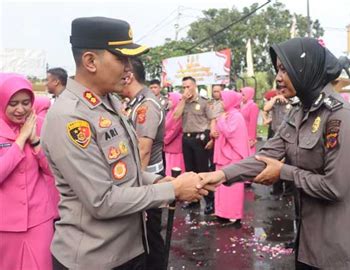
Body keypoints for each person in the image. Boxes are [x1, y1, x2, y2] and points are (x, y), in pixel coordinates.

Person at [41, 17, 209, 269]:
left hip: (128, 250)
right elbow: (102, 201)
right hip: (95, 258)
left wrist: (158, 181)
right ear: (90, 61)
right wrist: (172, 191)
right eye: (121, 59)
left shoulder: (109, 103)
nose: (129, 68)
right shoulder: (70, 117)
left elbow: (121, 170)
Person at [198, 37, 350, 269]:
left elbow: (335, 187)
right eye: (278, 69)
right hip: (308, 236)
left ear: (307, 68)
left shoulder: (338, 115)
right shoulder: (299, 112)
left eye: (286, 69)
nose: (279, 77)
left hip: (341, 240)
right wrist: (219, 176)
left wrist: (284, 171)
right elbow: (265, 156)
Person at [0, 73, 56, 270]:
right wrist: (20, 141)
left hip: (39, 218)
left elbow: (53, 171)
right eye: (13, 103)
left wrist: (35, 142)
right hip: (4, 223)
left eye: (26, 102)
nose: (20, 109)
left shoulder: (39, 125)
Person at [121, 57, 167, 270]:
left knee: (150, 236)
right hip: (140, 176)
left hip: (147, 177)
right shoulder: (136, 102)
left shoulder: (147, 105)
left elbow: (143, 149)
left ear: (128, 76)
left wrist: (135, 189)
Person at [173, 76, 215, 214]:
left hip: (200, 138)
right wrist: (183, 100)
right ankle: (194, 200)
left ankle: (209, 201)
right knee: (190, 171)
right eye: (183, 87)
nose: (186, 89)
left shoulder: (204, 102)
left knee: (203, 171)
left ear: (195, 86)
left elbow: (212, 119)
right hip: (186, 138)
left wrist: (212, 137)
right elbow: (175, 116)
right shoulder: (183, 102)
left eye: (188, 86)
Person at [213, 90, 249, 225]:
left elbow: (229, 133)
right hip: (223, 155)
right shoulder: (227, 114)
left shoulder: (236, 116)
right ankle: (222, 212)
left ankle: (234, 215)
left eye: (223, 99)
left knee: (232, 187)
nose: (221, 102)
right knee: (221, 186)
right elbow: (221, 132)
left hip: (232, 156)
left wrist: (221, 120)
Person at [263, 85, 294, 196]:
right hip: (276, 136)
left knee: (289, 162)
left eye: (284, 89)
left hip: (291, 137)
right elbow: (265, 108)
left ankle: (289, 189)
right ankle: (277, 188)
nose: (282, 91)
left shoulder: (293, 101)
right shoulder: (275, 102)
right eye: (279, 90)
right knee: (275, 161)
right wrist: (275, 98)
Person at [164, 92, 185, 176]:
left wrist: (165, 140)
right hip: (168, 146)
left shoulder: (179, 113)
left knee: (176, 169)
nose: (168, 102)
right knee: (169, 169)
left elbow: (175, 130)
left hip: (176, 146)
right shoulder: (169, 112)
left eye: (170, 100)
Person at [240, 86, 259, 155]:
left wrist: (251, 139)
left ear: (249, 95)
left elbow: (253, 124)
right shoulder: (240, 105)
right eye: (241, 95)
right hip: (240, 133)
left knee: (247, 154)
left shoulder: (253, 106)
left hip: (248, 135)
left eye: (243, 95)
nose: (241, 96)